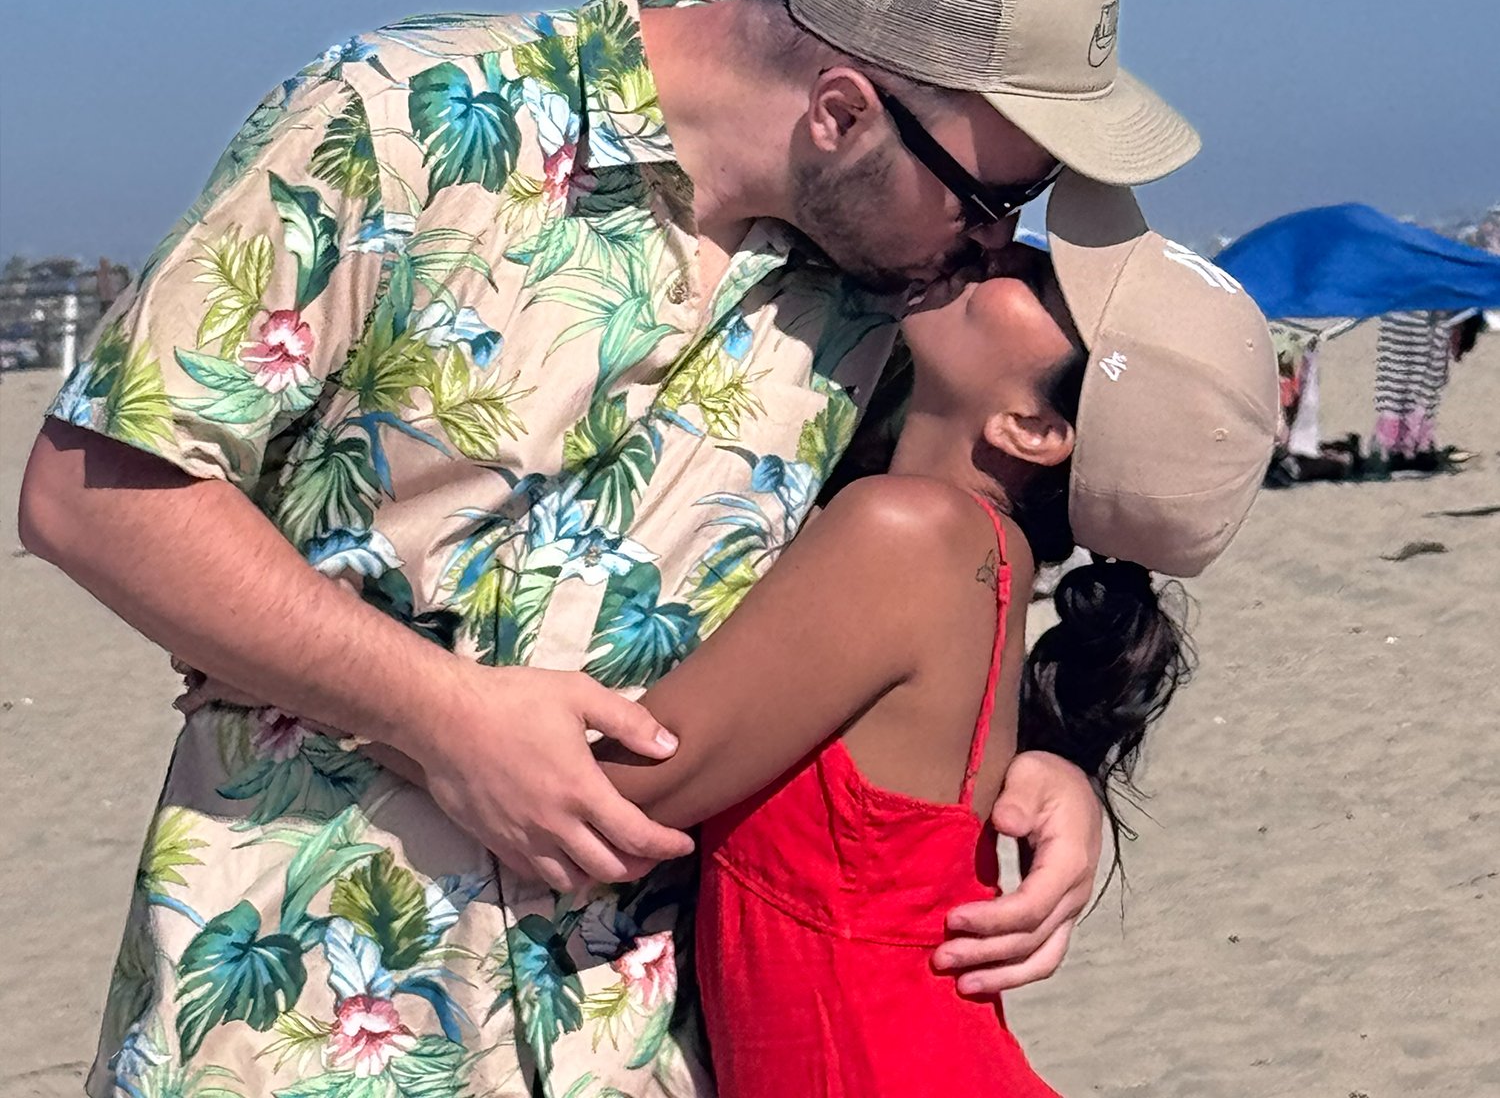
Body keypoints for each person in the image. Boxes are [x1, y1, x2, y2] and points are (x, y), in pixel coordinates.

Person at [19, 0, 1201, 1092]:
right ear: (843, 111)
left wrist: (1048, 760)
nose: (999, 239)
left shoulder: (893, 293)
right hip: (295, 1008)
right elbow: (91, 488)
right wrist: (435, 707)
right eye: (996, 195)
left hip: (633, 1044)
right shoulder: (400, 120)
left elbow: (933, 584)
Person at [180, 179, 1278, 1096]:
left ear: (1033, 428)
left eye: (1040, 285)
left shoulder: (907, 533)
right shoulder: (978, 557)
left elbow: (614, 801)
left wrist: (289, 675)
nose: (1007, 251)